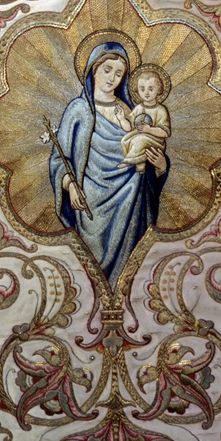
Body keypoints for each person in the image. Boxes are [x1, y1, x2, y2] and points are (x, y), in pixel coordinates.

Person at [49, 39, 169, 288]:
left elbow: (145, 146)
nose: (112, 78)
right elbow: (60, 158)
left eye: (119, 73)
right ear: (93, 69)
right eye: (107, 70)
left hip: (132, 201)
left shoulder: (128, 110)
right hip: (91, 203)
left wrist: (160, 166)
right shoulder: (79, 110)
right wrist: (71, 186)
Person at [115, 65, 171, 173]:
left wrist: (149, 130)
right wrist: (121, 119)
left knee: (139, 140)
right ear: (137, 90)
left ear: (158, 90)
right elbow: (129, 127)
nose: (146, 93)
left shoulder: (161, 110)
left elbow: (165, 133)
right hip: (139, 135)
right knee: (125, 140)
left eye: (151, 89)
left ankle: (129, 160)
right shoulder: (139, 108)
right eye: (142, 89)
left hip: (155, 141)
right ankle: (139, 165)